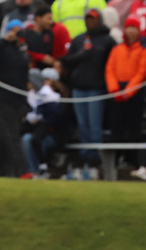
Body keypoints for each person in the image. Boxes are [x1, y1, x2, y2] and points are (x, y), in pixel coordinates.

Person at [61, 8, 114, 174]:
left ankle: (95, 160)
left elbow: (110, 65)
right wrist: (82, 55)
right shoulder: (78, 40)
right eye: (88, 19)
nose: (90, 22)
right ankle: (84, 158)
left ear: (99, 20)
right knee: (83, 125)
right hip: (79, 88)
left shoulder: (108, 41)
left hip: (96, 89)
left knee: (94, 126)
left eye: (93, 19)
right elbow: (66, 61)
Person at [0, 18, 30, 177]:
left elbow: (23, 77)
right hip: (3, 98)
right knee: (12, 135)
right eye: (14, 31)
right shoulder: (2, 46)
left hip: (18, 99)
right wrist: (5, 40)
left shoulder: (22, 51)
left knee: (2, 138)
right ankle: (23, 171)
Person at [106, 17, 146, 146]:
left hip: (135, 92)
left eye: (133, 28)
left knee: (133, 127)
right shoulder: (117, 48)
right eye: (128, 27)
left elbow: (142, 72)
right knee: (116, 126)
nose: (130, 31)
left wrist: (128, 91)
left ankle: (132, 160)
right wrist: (114, 89)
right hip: (117, 91)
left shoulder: (144, 50)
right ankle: (116, 158)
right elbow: (110, 69)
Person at [20, 67, 66, 178]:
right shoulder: (33, 97)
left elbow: (58, 120)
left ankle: (40, 169)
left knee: (33, 140)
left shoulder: (58, 98)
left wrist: (41, 119)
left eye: (46, 80)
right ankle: (33, 171)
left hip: (53, 134)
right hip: (38, 132)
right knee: (27, 138)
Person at [23, 3, 70, 69]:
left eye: (51, 19)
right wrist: (41, 57)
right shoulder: (26, 33)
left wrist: (56, 62)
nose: (51, 22)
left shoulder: (50, 33)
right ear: (38, 18)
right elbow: (23, 52)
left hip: (47, 70)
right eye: (48, 19)